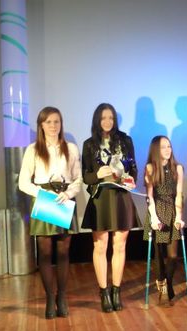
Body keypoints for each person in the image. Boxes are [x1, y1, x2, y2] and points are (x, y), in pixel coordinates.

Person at [18, 106, 81, 319]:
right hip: (44, 200)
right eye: (48, 122)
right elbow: (23, 182)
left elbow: (78, 178)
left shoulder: (71, 148)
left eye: (56, 121)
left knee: (63, 252)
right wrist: (43, 195)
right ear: (41, 125)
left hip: (64, 199)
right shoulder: (33, 149)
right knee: (45, 252)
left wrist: (69, 193)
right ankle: (49, 298)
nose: (53, 126)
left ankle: (61, 297)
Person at [81, 103, 141, 312]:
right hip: (101, 198)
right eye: (103, 118)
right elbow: (86, 176)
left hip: (121, 196)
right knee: (100, 246)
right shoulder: (89, 144)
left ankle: (116, 290)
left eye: (111, 118)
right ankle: (104, 291)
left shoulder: (125, 140)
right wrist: (97, 174)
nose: (107, 122)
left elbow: (134, 168)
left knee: (120, 245)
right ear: (97, 120)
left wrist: (130, 179)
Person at [143, 135, 184, 306]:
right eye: (163, 147)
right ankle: (162, 282)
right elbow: (150, 196)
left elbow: (179, 194)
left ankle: (167, 282)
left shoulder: (178, 168)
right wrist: (153, 217)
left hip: (172, 210)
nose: (168, 150)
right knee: (159, 254)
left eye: (169, 146)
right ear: (155, 150)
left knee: (173, 255)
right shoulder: (150, 168)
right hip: (157, 210)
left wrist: (179, 216)